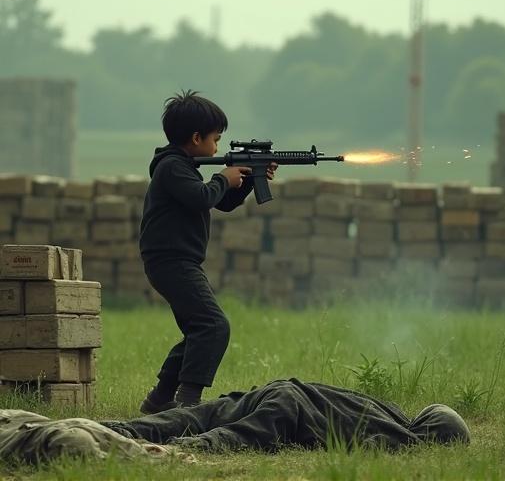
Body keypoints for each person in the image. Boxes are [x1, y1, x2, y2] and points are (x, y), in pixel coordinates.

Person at [138, 90, 278, 414]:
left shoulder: (182, 166)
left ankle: (159, 399)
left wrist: (247, 181)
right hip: (171, 261)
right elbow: (204, 196)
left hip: (177, 260)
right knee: (214, 326)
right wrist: (222, 176)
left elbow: (221, 201)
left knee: (198, 329)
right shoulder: (172, 167)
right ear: (197, 137)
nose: (217, 147)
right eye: (215, 139)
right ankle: (188, 405)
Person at [0, 379, 470, 464]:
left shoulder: (389, 411)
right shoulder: (397, 439)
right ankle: (73, 438)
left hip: (274, 391)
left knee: (172, 421)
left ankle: (92, 425)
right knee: (204, 443)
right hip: (285, 411)